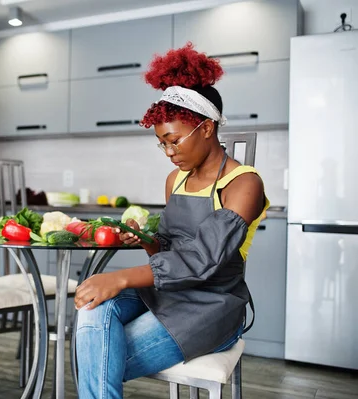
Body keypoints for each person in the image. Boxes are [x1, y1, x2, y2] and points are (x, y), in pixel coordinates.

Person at [74, 43, 270, 399]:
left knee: (97, 358)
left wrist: (119, 277)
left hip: (213, 305)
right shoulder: (175, 181)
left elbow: (201, 259)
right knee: (92, 312)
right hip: (167, 293)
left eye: (174, 140)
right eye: (161, 144)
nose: (169, 152)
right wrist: (146, 241)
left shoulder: (244, 184)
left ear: (207, 128)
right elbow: (169, 252)